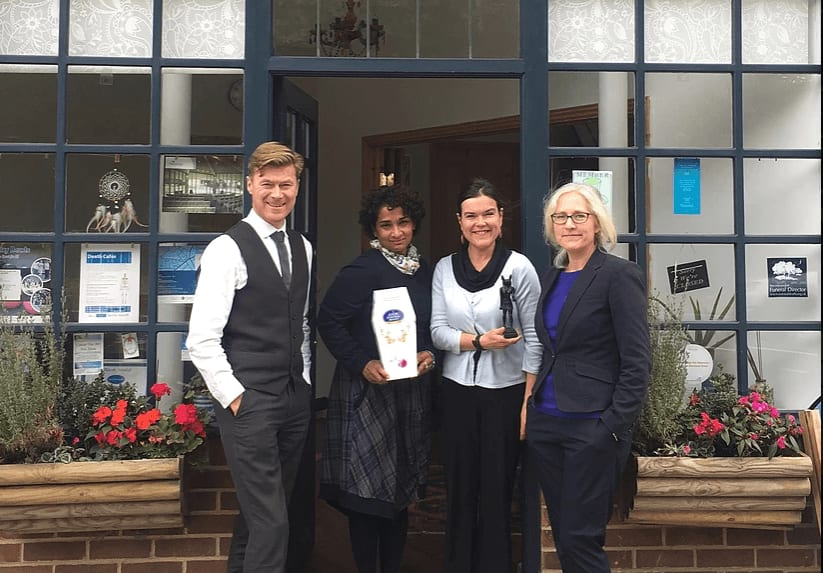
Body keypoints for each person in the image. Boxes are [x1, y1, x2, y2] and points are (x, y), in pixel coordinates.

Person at [186, 141, 313, 573]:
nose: (277, 193)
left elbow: (301, 322)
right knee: (272, 522)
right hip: (251, 402)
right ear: (249, 185)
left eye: (286, 184)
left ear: (297, 187)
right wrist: (237, 398)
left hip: (293, 399)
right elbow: (202, 338)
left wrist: (305, 382)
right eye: (268, 184)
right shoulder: (227, 249)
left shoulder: (303, 247)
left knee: (263, 518)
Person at [524, 182, 651, 573]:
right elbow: (550, 349)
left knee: (582, 536)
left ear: (597, 223)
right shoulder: (551, 278)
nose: (570, 224)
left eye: (580, 215)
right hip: (548, 424)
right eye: (561, 217)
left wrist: (611, 426)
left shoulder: (618, 275)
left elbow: (638, 361)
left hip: (591, 427)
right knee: (564, 534)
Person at [318, 184, 436, 573]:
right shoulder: (361, 271)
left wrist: (430, 354)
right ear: (374, 230)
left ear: (414, 223)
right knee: (366, 497)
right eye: (386, 225)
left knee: (399, 494)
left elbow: (434, 328)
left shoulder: (426, 272)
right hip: (368, 393)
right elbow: (328, 322)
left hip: (410, 394)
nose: (396, 232)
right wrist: (361, 362)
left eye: (403, 222)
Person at [430, 177, 541, 573]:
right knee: (458, 488)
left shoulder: (519, 267)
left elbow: (535, 337)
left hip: (506, 393)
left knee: (497, 489)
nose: (481, 222)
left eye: (488, 214)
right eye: (471, 215)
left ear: (501, 218)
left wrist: (529, 401)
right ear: (459, 222)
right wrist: (477, 342)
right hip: (457, 391)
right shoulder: (444, 269)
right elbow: (438, 332)